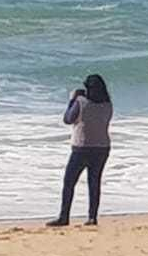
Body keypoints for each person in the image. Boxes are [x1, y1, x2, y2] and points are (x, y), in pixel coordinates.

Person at [48, 74, 113, 227]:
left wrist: (72, 100)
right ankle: (92, 217)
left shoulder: (81, 103)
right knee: (94, 182)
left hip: (82, 147)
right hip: (102, 147)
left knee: (69, 182)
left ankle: (64, 216)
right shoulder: (108, 104)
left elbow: (68, 119)